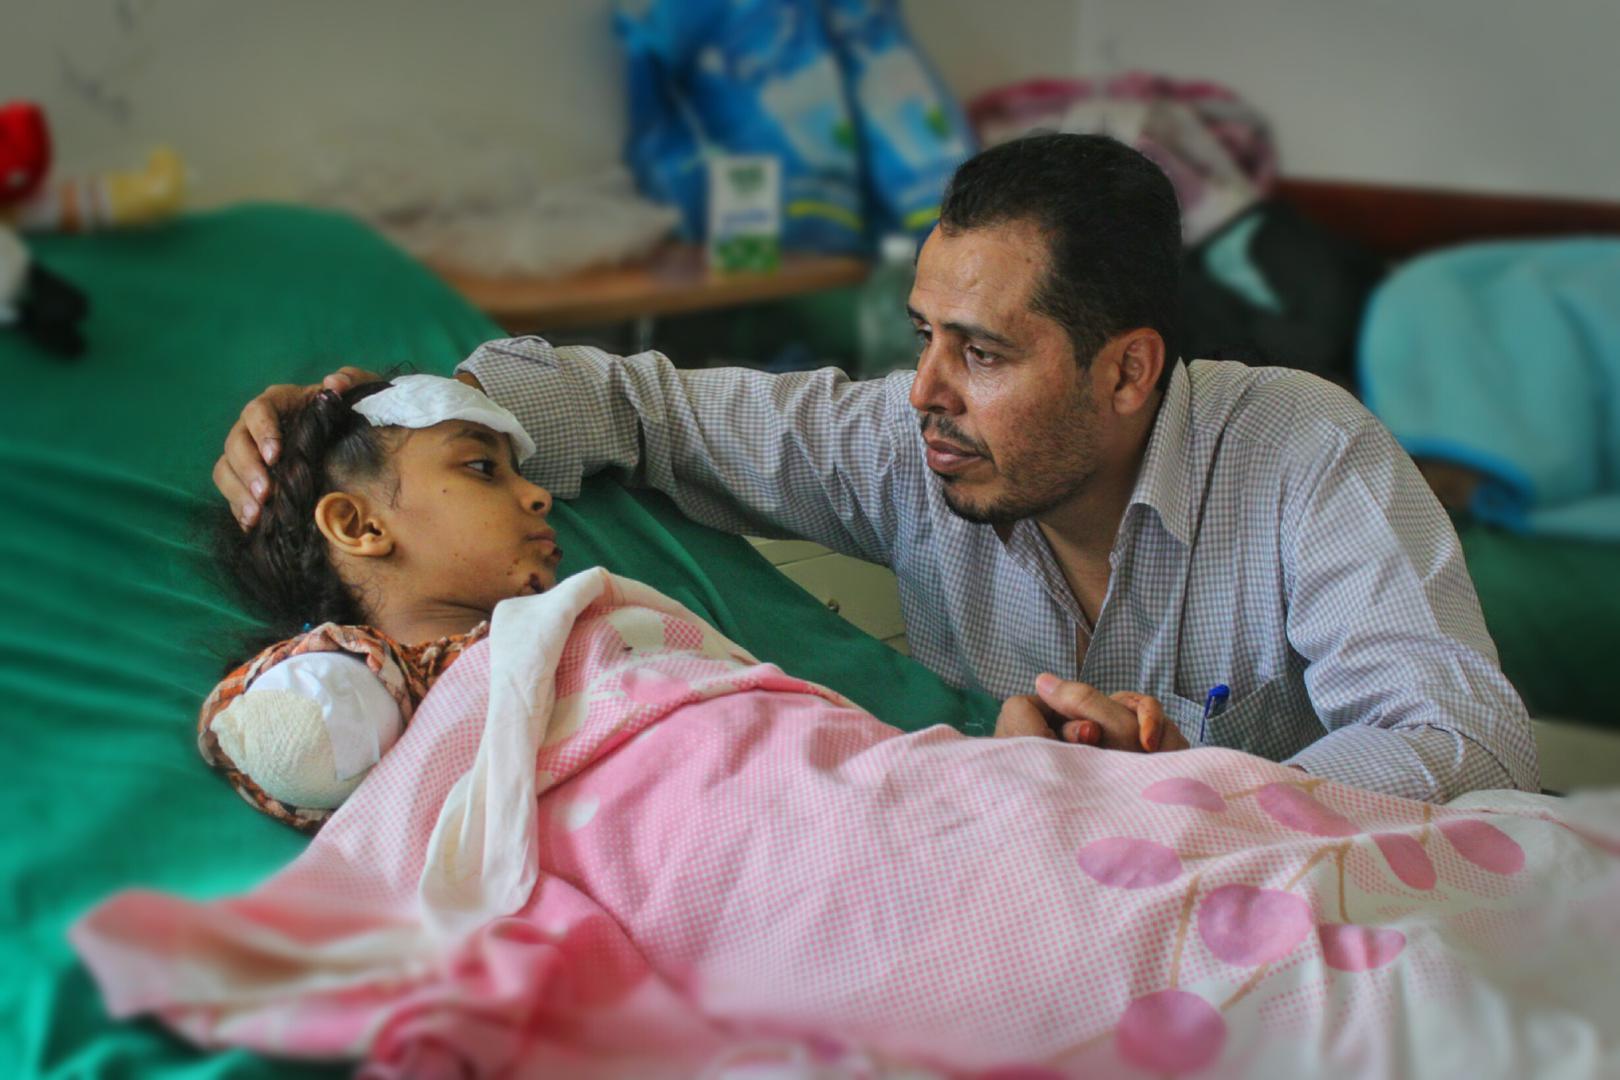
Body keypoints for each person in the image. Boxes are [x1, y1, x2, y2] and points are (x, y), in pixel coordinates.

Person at [214, 134, 1535, 802]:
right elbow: (630, 406)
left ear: (1130, 372)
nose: (925, 393)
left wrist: (1181, 775)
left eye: (982, 353)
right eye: (921, 337)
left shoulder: (1304, 457)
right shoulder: (910, 450)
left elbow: (1465, 741)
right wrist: (383, 413)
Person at [203, 374, 1184, 830]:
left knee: (1180, 817)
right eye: (481, 469)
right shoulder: (391, 683)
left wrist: (1001, 764)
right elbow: (292, 736)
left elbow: (782, 746)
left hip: (854, 787)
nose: (537, 493)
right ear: (360, 527)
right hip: (750, 838)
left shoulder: (587, 630)